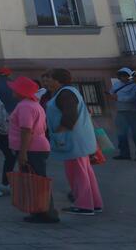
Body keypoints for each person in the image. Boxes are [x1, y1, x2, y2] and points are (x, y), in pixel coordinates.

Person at [42, 69, 103, 216]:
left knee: (77, 173)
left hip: (71, 140)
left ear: (58, 80)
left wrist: (58, 134)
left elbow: (69, 116)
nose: (47, 82)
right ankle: (94, 203)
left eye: (49, 79)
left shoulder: (65, 94)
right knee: (85, 172)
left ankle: (84, 205)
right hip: (79, 140)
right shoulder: (68, 92)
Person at [8, 76, 59, 224]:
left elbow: (26, 130)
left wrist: (23, 153)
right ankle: (39, 211)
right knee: (36, 180)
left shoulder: (25, 106)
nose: (12, 90)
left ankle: (46, 213)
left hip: (32, 148)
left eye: (15, 88)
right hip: (37, 146)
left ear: (21, 91)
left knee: (36, 181)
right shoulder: (33, 104)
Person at [109, 67, 136, 161]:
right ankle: (124, 153)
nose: (123, 77)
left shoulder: (135, 85)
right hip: (121, 112)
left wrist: (118, 98)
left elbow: (132, 98)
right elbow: (112, 93)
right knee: (121, 134)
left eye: (125, 75)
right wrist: (112, 96)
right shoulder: (116, 85)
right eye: (121, 75)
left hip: (133, 112)